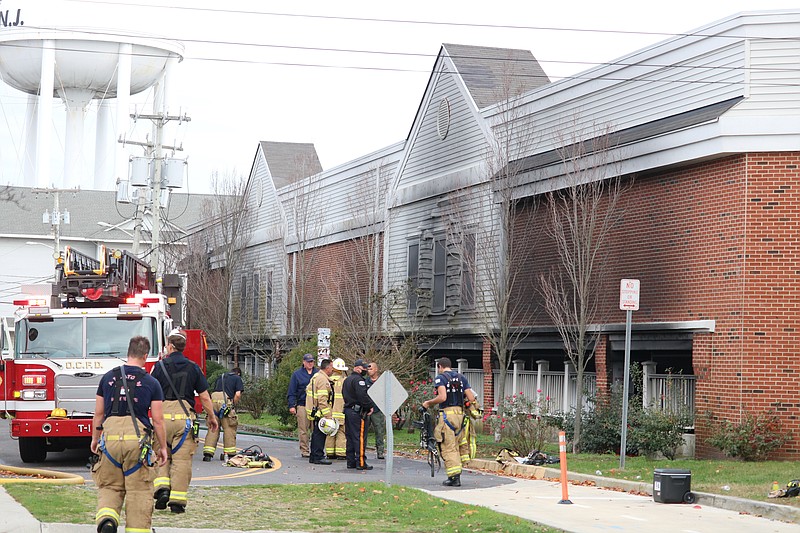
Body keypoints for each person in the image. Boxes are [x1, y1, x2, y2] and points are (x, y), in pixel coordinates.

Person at [90, 336, 168, 533]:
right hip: (137, 442)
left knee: (110, 486)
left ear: (128, 353)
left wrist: (95, 439)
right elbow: (158, 420)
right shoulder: (151, 382)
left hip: (110, 441)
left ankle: (107, 520)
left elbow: (99, 413)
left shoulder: (107, 378)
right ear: (145, 355)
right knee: (139, 490)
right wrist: (163, 448)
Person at [150, 328, 219, 514]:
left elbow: (149, 393)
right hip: (184, 420)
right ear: (183, 347)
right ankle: (177, 503)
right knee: (181, 461)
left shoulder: (159, 367)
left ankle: (162, 488)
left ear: (170, 346)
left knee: (161, 454)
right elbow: (204, 397)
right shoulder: (193, 367)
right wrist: (212, 417)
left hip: (162, 418)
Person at [422, 357, 478, 487]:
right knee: (458, 445)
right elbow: (471, 397)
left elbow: (442, 397)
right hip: (460, 416)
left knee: (448, 447)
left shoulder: (440, 378)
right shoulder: (461, 378)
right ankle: (457, 473)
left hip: (447, 416)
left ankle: (454, 478)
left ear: (440, 367)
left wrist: (428, 403)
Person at [203, 367, 245, 461]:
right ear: (238, 374)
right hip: (225, 403)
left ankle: (208, 454)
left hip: (213, 402)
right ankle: (229, 454)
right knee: (229, 428)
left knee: (213, 427)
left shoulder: (220, 377)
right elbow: (238, 394)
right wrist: (233, 404)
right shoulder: (237, 378)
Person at [342, 358, 375, 470]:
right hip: (357, 413)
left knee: (350, 437)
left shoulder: (347, 380)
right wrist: (370, 406)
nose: (365, 370)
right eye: (363, 368)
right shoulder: (359, 381)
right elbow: (362, 396)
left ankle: (350, 461)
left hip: (348, 411)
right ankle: (361, 462)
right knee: (359, 437)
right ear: (357, 368)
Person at [287, 353, 318, 457]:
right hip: (302, 404)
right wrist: (292, 405)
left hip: (315, 406)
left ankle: (316, 450)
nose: (310, 363)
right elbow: (292, 391)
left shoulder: (318, 373)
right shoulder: (297, 374)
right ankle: (305, 450)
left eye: (312, 361)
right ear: (303, 362)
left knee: (316, 430)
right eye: (308, 362)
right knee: (303, 429)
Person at [306, 358, 335, 465]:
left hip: (314, 410)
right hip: (320, 412)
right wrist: (328, 415)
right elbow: (322, 399)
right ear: (327, 368)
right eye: (331, 367)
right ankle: (318, 456)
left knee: (316, 434)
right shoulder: (323, 379)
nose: (332, 369)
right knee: (320, 434)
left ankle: (314, 456)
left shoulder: (316, 376)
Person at [325, 358, 348, 459]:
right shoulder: (344, 381)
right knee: (341, 432)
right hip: (341, 412)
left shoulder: (327, 380)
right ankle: (341, 453)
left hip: (329, 412)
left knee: (330, 432)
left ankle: (330, 453)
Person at [365, 361, 386, 460]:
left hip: (378, 410)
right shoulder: (365, 382)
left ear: (376, 369)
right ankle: (362, 451)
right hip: (367, 410)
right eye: (368, 369)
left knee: (379, 431)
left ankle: (380, 451)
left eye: (371, 369)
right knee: (364, 431)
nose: (369, 371)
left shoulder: (382, 382)